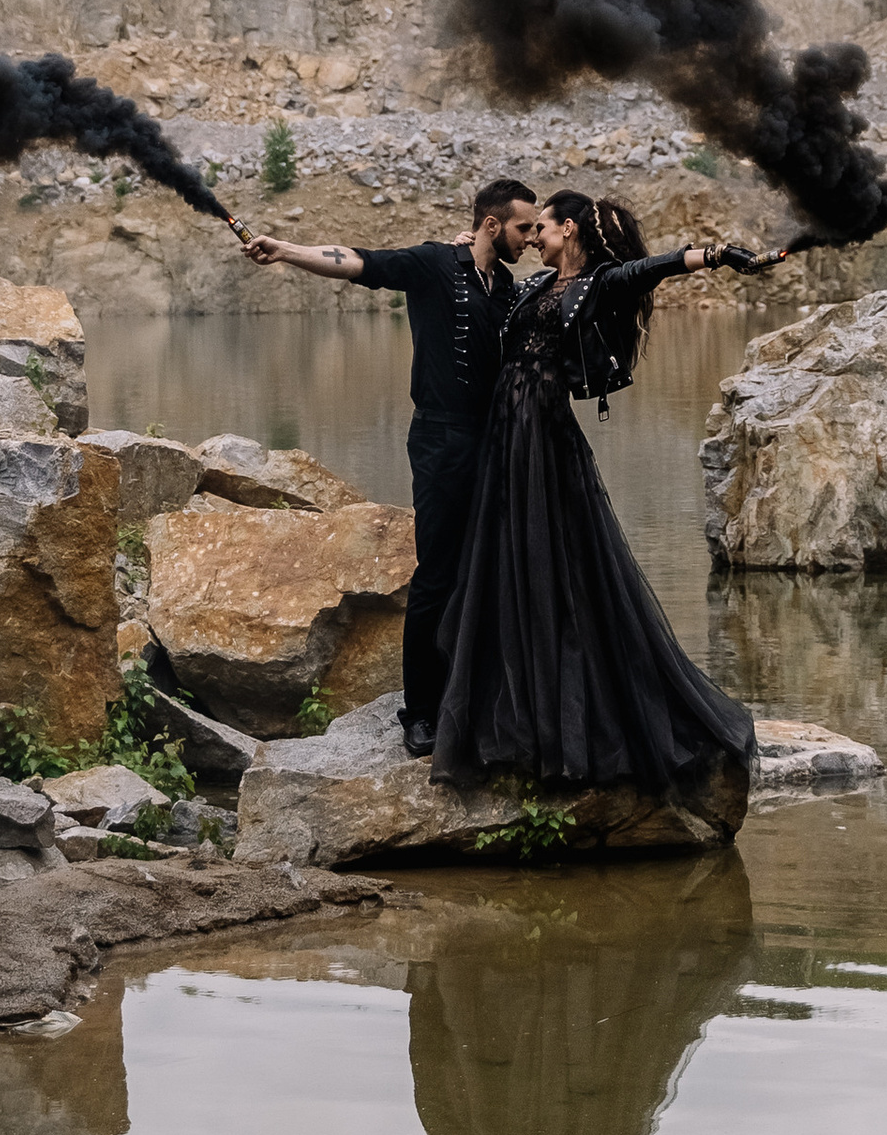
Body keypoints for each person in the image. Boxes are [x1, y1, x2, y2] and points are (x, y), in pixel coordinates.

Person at [432, 190, 767, 804]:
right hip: (506, 434)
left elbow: (653, 268)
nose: (534, 237)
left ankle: (573, 720)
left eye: (543, 227)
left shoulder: (600, 281)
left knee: (561, 560)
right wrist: (468, 250)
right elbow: (489, 292)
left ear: (569, 229)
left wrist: (718, 255)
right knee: (508, 557)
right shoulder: (535, 285)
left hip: (544, 434)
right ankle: (512, 707)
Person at [243, 174, 541, 752]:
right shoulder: (433, 263)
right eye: (523, 227)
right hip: (440, 440)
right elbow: (359, 261)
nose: (530, 238)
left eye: (535, 229)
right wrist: (286, 250)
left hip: (494, 443)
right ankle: (420, 712)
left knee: (486, 568)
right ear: (492, 224)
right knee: (436, 574)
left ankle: (476, 697)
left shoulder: (505, 286)